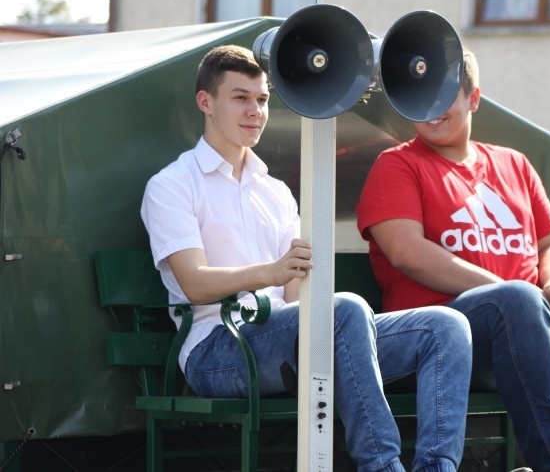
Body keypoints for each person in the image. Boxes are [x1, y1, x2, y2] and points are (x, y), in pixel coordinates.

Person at [140, 44, 474, 472]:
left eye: (262, 100)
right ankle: (382, 466)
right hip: (217, 349)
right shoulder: (172, 185)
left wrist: (313, 305)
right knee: (346, 308)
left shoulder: (275, 192)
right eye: (240, 98)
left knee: (445, 326)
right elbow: (193, 282)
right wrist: (272, 272)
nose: (255, 111)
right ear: (205, 102)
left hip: (288, 338)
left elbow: (299, 299)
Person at [356, 47, 550, 472]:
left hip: (533, 328)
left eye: (443, 97)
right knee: (514, 300)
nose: (431, 111)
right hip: (450, 340)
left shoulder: (514, 163)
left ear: (473, 98)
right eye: (420, 101)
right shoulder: (397, 165)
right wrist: (506, 290)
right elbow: (406, 252)